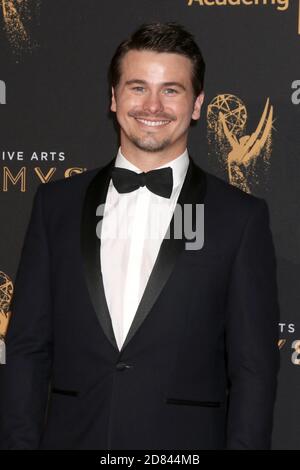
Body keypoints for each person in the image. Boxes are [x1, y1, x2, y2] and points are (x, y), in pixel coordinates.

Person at [0, 22, 280, 450]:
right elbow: (26, 349)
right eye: (137, 87)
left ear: (197, 104)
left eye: (171, 90)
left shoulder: (239, 218)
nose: (153, 105)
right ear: (113, 98)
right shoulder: (56, 206)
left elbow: (254, 370)